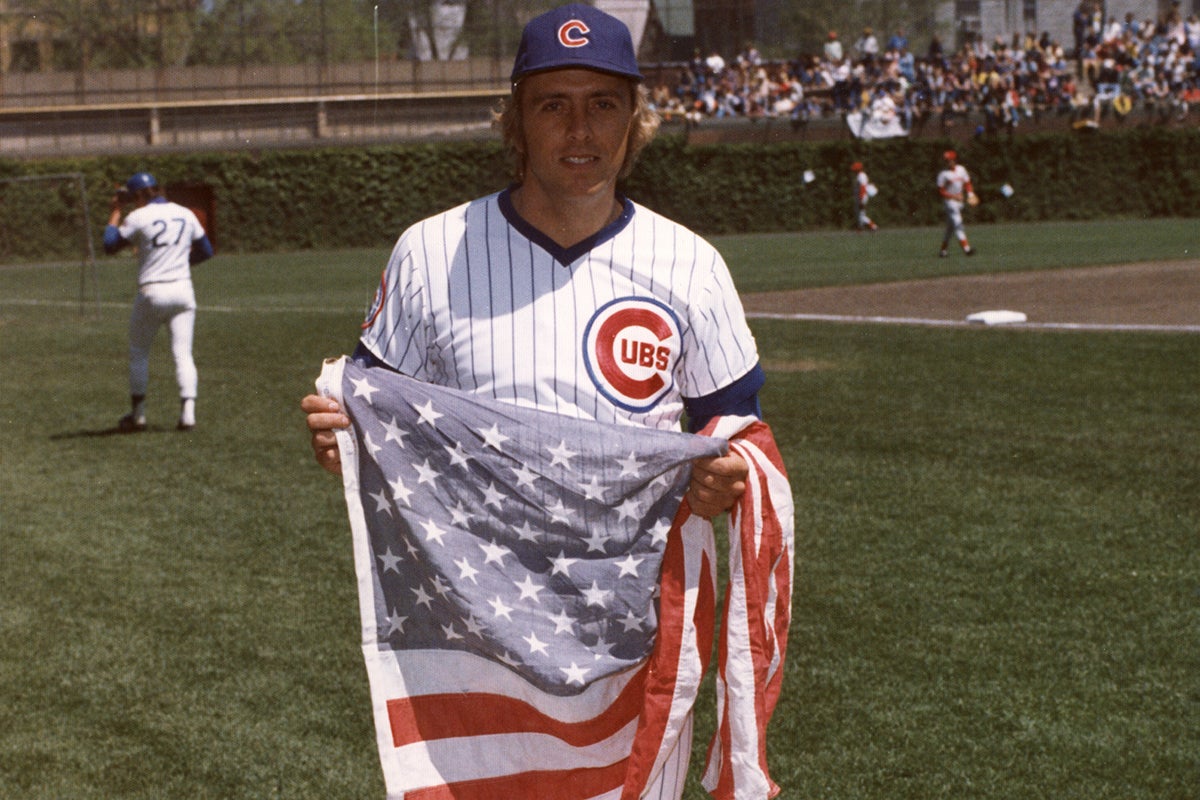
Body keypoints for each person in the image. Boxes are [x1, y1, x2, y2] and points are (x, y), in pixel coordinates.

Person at [300, 5, 788, 799]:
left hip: (635, 628)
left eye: (603, 104)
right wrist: (341, 439)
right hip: (476, 630)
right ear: (515, 121)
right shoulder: (431, 252)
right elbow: (378, 416)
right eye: (552, 105)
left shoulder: (690, 265)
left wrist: (726, 475)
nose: (580, 131)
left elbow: (741, 435)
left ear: (636, 120)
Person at [103, 172, 213, 431]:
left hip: (153, 291)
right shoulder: (185, 213)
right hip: (183, 290)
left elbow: (109, 245)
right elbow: (206, 251)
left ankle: (138, 415)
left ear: (140, 195)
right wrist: (178, 263)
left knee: (139, 352)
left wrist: (115, 212)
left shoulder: (138, 216)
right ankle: (188, 415)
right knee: (183, 354)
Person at [936, 149, 977, 257]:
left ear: (954, 160)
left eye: (949, 160)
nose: (947, 162)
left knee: (950, 228)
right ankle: (967, 249)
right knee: (958, 223)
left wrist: (971, 194)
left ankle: (943, 251)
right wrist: (954, 196)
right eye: (946, 160)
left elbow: (967, 183)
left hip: (959, 201)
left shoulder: (961, 169)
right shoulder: (943, 174)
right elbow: (941, 191)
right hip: (950, 203)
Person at [851, 160, 878, 231]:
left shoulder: (861, 176)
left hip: (862, 197)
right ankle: (860, 228)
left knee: (861, 214)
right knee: (859, 214)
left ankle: (873, 226)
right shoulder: (860, 175)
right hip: (860, 197)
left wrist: (861, 199)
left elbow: (862, 188)